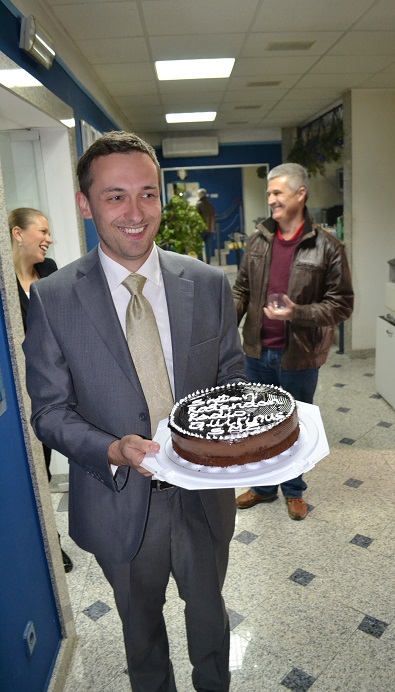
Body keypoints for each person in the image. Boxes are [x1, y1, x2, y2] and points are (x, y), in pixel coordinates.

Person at [23, 131, 246, 692]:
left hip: (201, 494)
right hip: (118, 500)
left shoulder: (207, 284)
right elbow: (49, 411)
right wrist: (112, 448)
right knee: (140, 634)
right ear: (85, 203)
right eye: (115, 196)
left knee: (210, 619)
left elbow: (231, 377)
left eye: (147, 193)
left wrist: (227, 439)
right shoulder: (54, 299)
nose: (135, 212)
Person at [233, 162, 354, 520]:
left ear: (301, 194)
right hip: (257, 351)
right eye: (269, 193)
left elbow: (341, 305)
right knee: (261, 424)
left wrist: (296, 313)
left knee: (293, 426)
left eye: (277, 192)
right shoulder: (258, 240)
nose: (271, 199)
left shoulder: (328, 247)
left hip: (298, 355)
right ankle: (264, 487)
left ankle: (294, 490)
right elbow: (242, 290)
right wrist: (223, 328)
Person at [9, 207, 73, 573]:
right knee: (27, 475)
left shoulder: (49, 271)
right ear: (18, 233)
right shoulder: (4, 282)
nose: (49, 239)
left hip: (52, 388)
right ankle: (45, 544)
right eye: (43, 232)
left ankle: (51, 539)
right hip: (18, 392)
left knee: (44, 469)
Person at [196, 188, 215, 263]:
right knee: (208, 248)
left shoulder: (198, 204)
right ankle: (208, 263)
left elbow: (196, 217)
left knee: (199, 247)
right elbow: (213, 216)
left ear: (200, 195)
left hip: (201, 229)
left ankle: (201, 263)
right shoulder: (210, 205)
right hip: (210, 229)